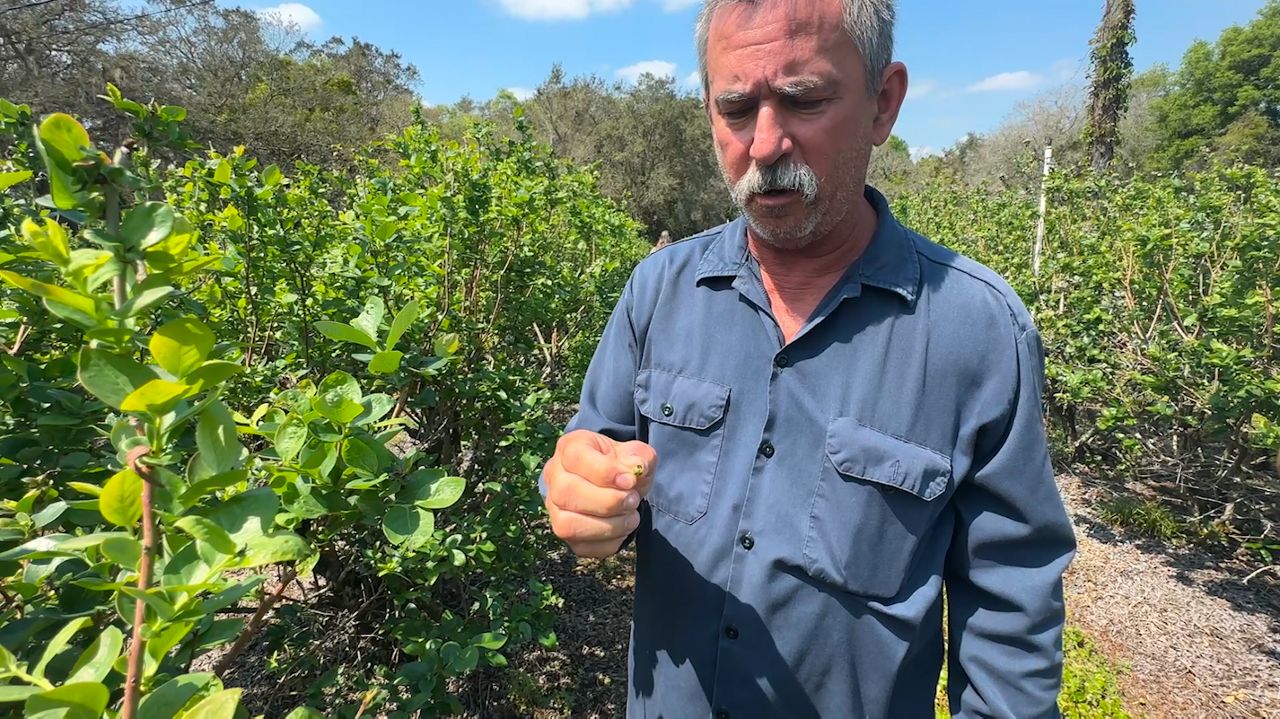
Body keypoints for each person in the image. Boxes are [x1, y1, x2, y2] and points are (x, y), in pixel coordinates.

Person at [540, 0, 1077, 716]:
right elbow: (592, 449)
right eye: (735, 108)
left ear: (882, 104)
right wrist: (576, 490)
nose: (764, 144)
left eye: (804, 100)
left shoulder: (977, 330)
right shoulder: (658, 290)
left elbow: (1012, 607)